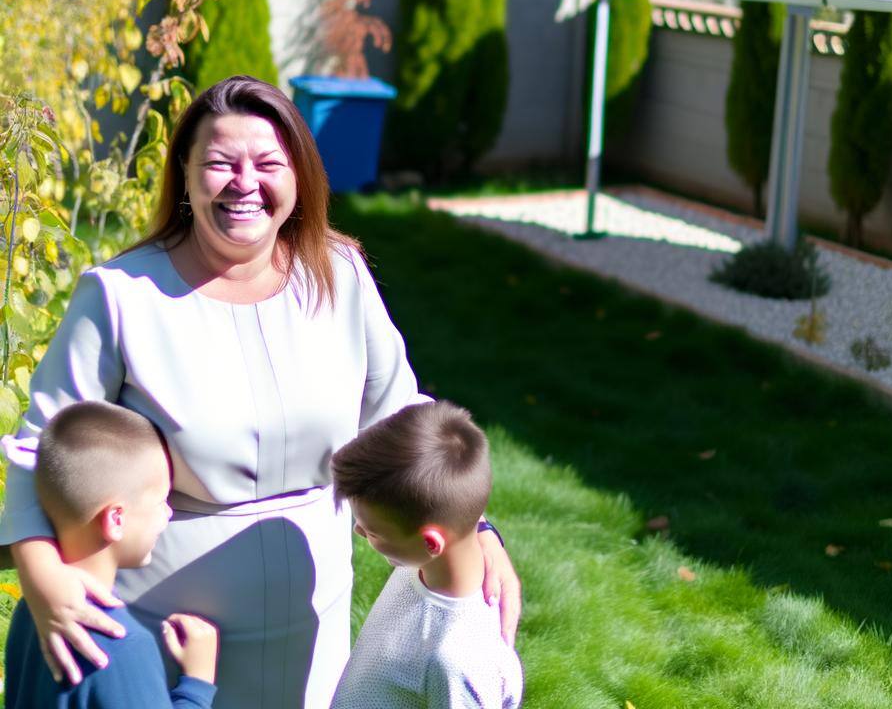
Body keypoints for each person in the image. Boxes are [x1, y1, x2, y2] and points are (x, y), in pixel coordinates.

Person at [0, 75, 520, 709]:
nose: (245, 183)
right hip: (170, 638)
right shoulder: (120, 296)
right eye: (219, 163)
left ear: (299, 177)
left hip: (314, 624)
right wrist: (44, 575)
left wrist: (476, 526)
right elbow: (39, 449)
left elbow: (403, 422)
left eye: (268, 163)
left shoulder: (341, 275)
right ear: (185, 177)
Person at [5, 401, 219, 708]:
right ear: (115, 519)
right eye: (161, 500)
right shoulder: (123, 644)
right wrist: (197, 685)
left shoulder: (35, 610)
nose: (168, 513)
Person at [330, 401, 522, 709]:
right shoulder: (422, 565)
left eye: (373, 531)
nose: (359, 532)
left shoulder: (458, 659)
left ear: (431, 543)